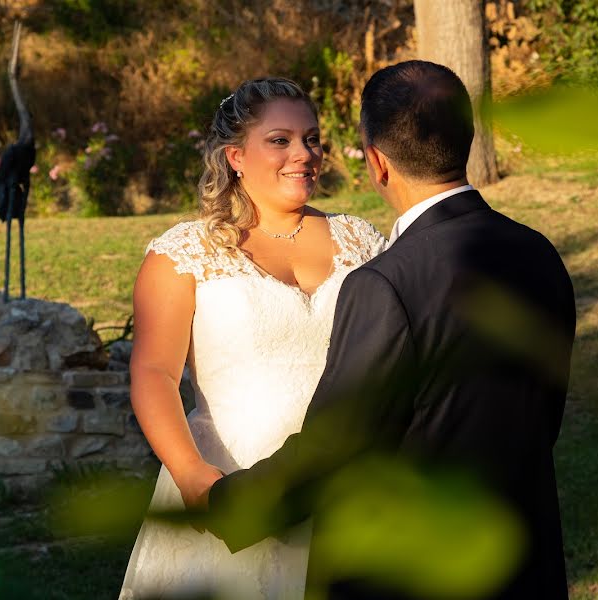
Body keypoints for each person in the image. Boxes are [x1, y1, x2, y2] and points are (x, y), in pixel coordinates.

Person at [201, 60, 576, 599]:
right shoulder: (538, 254)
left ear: (377, 162)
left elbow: (338, 445)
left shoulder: (384, 282)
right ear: (466, 139)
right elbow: (545, 415)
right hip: (523, 564)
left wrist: (228, 505)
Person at [118, 77, 386, 599]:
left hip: (342, 483)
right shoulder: (183, 253)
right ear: (236, 155)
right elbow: (153, 372)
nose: (303, 154)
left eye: (311, 139)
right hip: (229, 480)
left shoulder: (362, 241)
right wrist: (193, 474)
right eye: (280, 140)